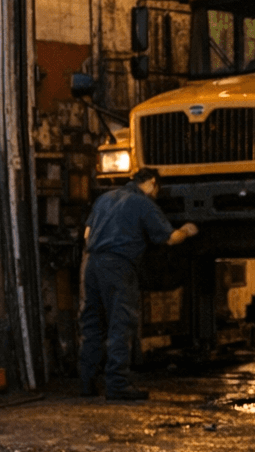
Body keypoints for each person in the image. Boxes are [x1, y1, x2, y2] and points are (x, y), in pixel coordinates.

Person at [80, 167, 198, 400]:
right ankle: (117, 385)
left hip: (91, 264)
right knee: (120, 324)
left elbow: (86, 234)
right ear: (153, 183)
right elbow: (170, 239)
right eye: (157, 189)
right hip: (119, 266)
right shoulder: (143, 203)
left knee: (91, 324)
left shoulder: (104, 198)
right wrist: (188, 229)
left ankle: (87, 384)